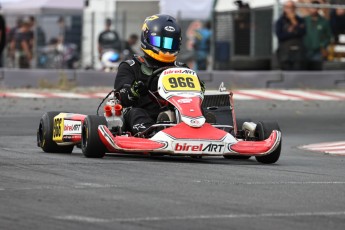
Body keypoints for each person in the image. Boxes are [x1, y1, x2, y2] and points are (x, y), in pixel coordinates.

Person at [114, 14, 205, 135]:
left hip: (178, 113)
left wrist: (199, 89)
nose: (166, 49)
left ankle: (207, 129)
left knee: (203, 110)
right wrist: (133, 91)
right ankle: (151, 133)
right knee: (135, 112)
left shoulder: (181, 68)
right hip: (144, 114)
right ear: (146, 38)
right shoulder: (131, 66)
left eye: (170, 44)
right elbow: (121, 96)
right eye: (159, 42)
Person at [275, 0, 306, 70]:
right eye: (288, 7)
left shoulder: (300, 20)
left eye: (292, 7)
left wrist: (294, 22)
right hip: (285, 53)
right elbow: (280, 35)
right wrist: (292, 33)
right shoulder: (280, 21)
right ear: (284, 8)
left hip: (298, 53)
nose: (290, 9)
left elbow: (302, 32)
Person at [303, 1, 332, 70]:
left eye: (315, 8)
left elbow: (329, 36)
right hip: (305, 50)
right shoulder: (304, 20)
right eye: (312, 8)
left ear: (318, 9)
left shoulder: (324, 22)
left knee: (316, 72)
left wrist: (323, 45)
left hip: (318, 52)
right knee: (304, 72)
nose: (313, 10)